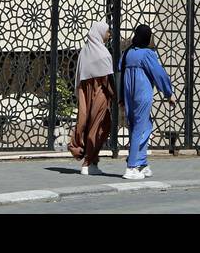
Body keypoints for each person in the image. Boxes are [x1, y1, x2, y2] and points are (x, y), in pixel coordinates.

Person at [118, 23, 176, 180]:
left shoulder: (127, 53)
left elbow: (120, 73)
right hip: (142, 94)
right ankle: (131, 167)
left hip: (128, 95)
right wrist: (168, 93)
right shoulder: (147, 54)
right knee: (139, 128)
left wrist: (121, 97)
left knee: (144, 125)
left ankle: (142, 163)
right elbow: (159, 73)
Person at [67, 21, 115, 176]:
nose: (109, 35)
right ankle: (88, 162)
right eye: (107, 32)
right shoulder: (103, 53)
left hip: (85, 93)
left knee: (87, 123)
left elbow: (80, 76)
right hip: (99, 93)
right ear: (100, 33)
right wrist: (115, 95)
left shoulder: (84, 52)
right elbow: (107, 79)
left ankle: (91, 160)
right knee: (98, 126)